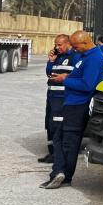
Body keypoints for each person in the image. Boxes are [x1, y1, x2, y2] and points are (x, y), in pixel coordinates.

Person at [42, 30, 103, 189]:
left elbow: (87, 85)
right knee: (60, 139)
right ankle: (59, 172)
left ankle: (62, 174)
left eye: (76, 46)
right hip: (71, 103)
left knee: (69, 142)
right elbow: (78, 76)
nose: (74, 49)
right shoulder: (84, 56)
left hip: (79, 105)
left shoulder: (94, 58)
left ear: (85, 42)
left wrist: (65, 80)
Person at [41, 34, 77, 163]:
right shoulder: (57, 57)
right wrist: (51, 61)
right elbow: (49, 74)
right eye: (55, 44)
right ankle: (51, 153)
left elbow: (77, 75)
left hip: (62, 97)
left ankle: (58, 155)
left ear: (68, 44)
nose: (57, 47)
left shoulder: (74, 56)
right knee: (50, 124)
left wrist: (66, 77)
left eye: (59, 45)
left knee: (57, 126)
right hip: (51, 96)